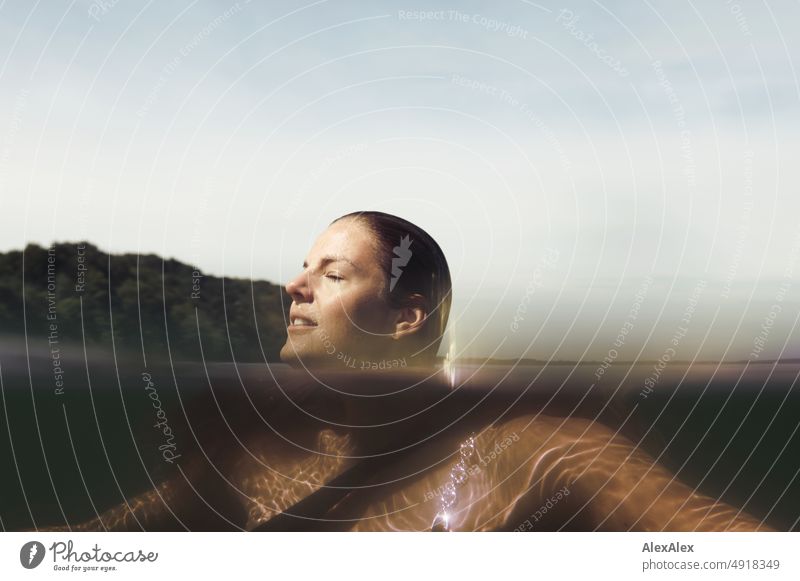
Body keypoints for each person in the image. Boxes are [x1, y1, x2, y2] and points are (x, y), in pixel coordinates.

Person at [42, 211, 772, 532]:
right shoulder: (260, 461)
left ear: (407, 316)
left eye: (330, 272)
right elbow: (90, 548)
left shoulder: (546, 449)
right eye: (302, 270)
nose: (294, 288)